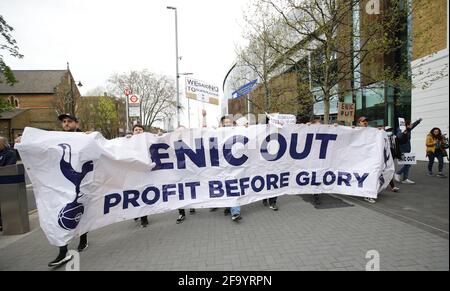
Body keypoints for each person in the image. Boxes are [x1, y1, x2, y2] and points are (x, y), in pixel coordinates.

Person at [44, 114, 89, 267]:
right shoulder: (56, 139)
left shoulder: (85, 137)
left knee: (81, 213)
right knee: (60, 214)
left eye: (69, 121)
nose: (66, 124)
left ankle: (83, 239)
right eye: (64, 122)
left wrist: (92, 137)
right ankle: (63, 252)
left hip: (80, 183)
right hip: (62, 185)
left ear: (76, 122)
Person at [130, 124, 149, 228]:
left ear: (143, 132)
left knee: (143, 194)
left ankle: (144, 218)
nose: (138, 131)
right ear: (133, 132)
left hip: (144, 173)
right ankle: (136, 213)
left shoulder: (148, 141)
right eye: (136, 130)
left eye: (140, 130)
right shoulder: (127, 141)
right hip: (133, 173)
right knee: (134, 195)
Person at [394, 118, 423, 184]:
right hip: (402, 150)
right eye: (410, 124)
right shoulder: (401, 129)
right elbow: (399, 137)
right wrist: (403, 133)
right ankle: (398, 173)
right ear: (407, 125)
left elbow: (413, 125)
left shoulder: (408, 129)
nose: (411, 125)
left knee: (408, 164)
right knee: (408, 164)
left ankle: (405, 179)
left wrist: (418, 121)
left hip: (407, 149)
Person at [0, 136, 18, 232]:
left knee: (5, 204)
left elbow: (8, 167)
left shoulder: (10, 153)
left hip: (6, 183)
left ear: (4, 143)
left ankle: (4, 223)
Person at [385, 126, 400, 192]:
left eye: (390, 130)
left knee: (389, 170)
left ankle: (393, 186)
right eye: (388, 130)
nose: (390, 131)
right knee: (382, 171)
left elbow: (398, 145)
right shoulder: (382, 137)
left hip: (391, 154)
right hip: (383, 155)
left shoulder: (394, 137)